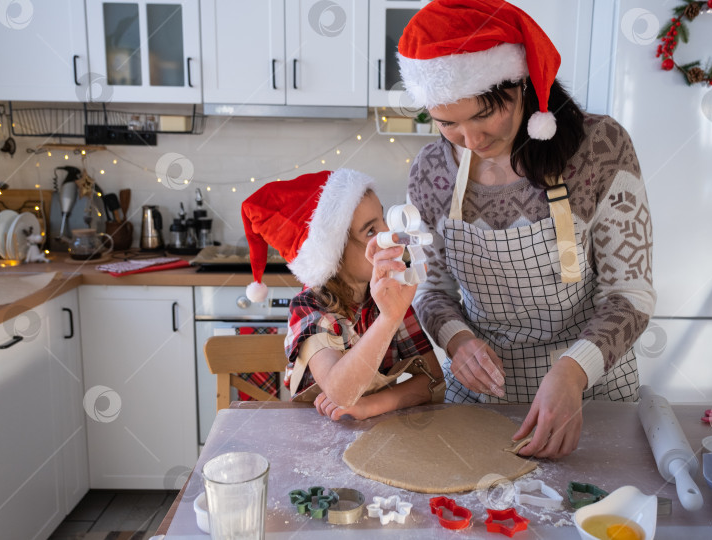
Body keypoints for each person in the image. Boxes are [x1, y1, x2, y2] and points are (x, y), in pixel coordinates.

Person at [397, 0, 656, 458]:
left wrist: (572, 371)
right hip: (479, 402)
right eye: (447, 123)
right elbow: (431, 289)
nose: (471, 141)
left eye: (482, 115)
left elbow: (628, 294)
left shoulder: (599, 147)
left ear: (524, 87)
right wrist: (457, 340)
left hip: (591, 391)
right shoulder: (429, 172)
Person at [241, 169, 444, 421]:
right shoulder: (310, 308)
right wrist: (389, 320)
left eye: (382, 218)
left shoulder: (388, 294)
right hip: (317, 442)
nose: (389, 233)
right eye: (370, 231)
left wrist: (369, 406)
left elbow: (433, 380)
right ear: (334, 257)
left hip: (378, 436)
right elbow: (340, 393)